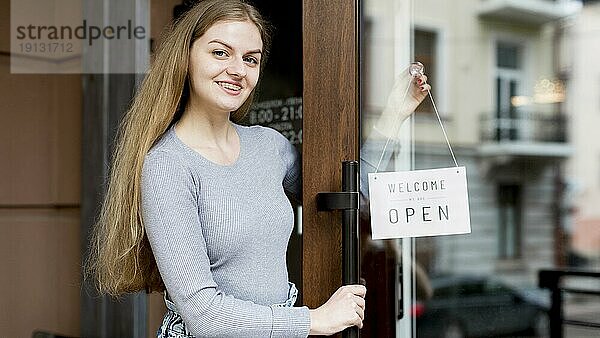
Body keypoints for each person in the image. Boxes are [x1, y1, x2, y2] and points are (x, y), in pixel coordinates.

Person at [86, 0, 430, 337]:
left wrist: (394, 115)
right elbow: (204, 315)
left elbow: (347, 196)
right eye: (220, 52)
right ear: (185, 57)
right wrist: (313, 321)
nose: (238, 69)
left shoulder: (268, 146)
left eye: (250, 59)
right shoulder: (167, 166)